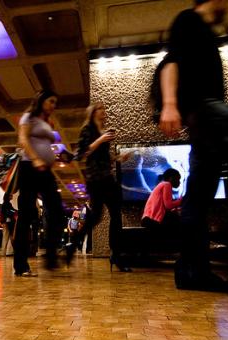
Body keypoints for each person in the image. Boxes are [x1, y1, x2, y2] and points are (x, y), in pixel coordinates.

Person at [158, 0, 228, 290]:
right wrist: (169, 104)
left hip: (205, 118)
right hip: (207, 110)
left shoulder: (202, 30)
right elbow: (171, 62)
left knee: (198, 198)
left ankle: (192, 271)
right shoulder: (189, 20)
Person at [75, 102, 131, 272]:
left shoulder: (105, 132)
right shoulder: (88, 131)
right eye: (100, 109)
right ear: (92, 113)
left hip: (108, 178)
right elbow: (81, 153)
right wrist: (100, 140)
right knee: (97, 215)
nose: (103, 112)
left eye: (104, 109)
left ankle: (116, 254)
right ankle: (76, 241)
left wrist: (117, 158)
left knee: (116, 216)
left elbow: (103, 157)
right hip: (95, 179)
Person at [14, 89, 65, 276]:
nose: (53, 106)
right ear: (42, 101)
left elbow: (45, 145)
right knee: (26, 216)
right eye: (51, 101)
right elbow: (22, 140)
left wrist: (58, 155)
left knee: (58, 212)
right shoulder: (29, 117)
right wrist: (36, 158)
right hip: (29, 168)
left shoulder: (46, 122)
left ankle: (51, 256)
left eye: (55, 103)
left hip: (45, 171)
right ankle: (20, 265)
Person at [141, 168, 182, 234]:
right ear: (171, 177)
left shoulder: (161, 185)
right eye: (178, 179)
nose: (179, 182)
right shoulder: (167, 184)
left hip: (147, 219)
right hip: (153, 220)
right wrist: (181, 200)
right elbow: (168, 205)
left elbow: (164, 207)